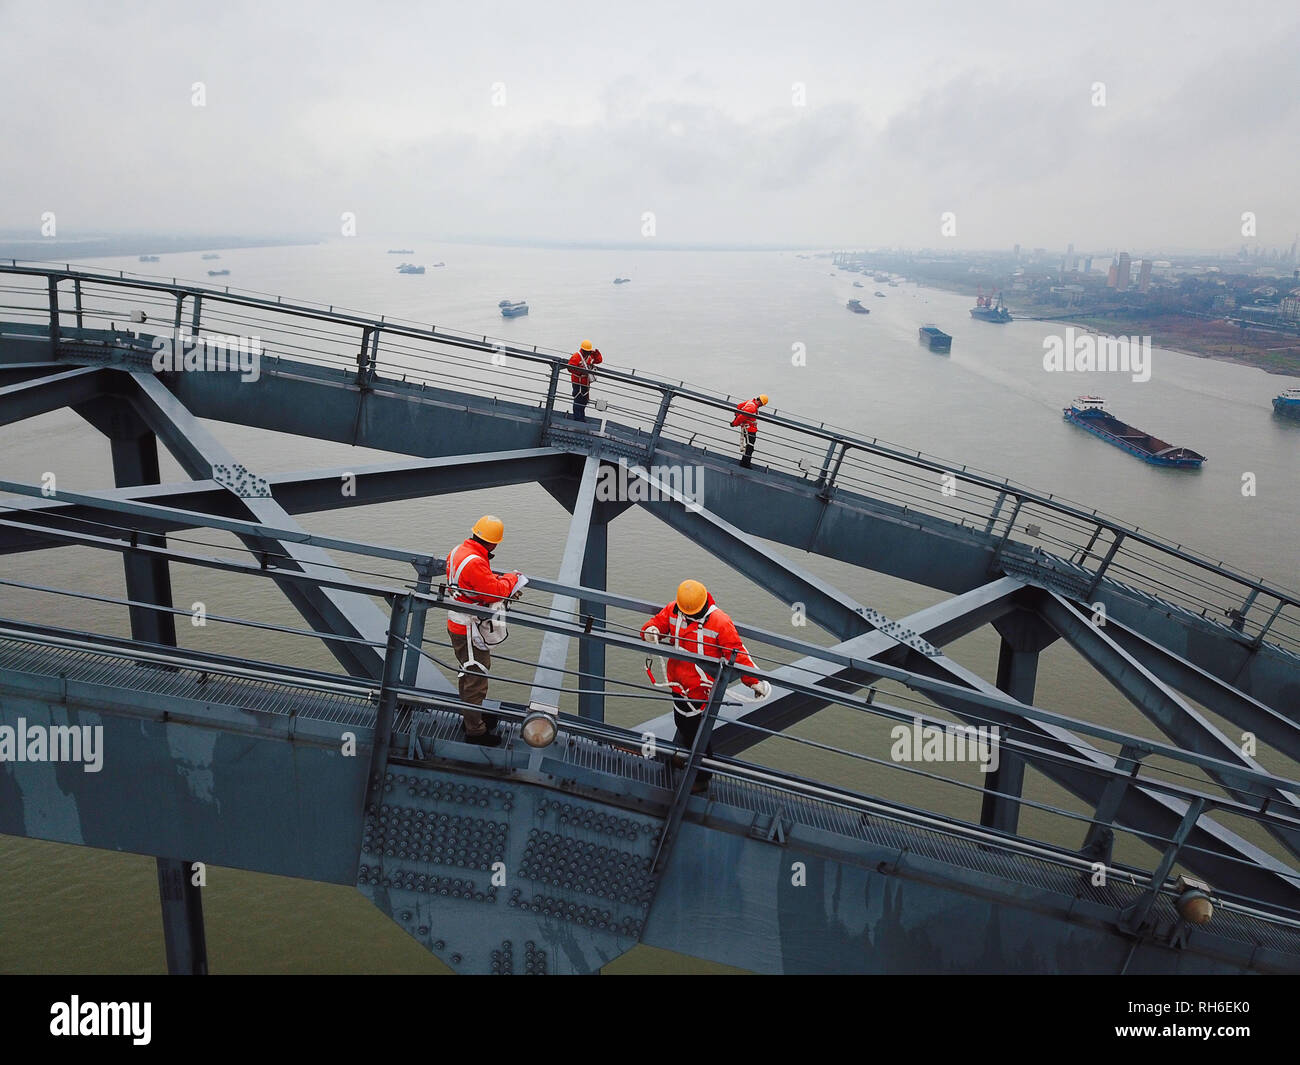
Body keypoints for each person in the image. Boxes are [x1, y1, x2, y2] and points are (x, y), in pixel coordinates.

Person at [640, 579, 769, 793]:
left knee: (696, 732)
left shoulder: (720, 622)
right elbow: (657, 624)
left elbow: (736, 653)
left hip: (703, 690)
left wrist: (754, 681)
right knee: (682, 722)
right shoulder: (674, 610)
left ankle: (702, 775)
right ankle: (688, 758)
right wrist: (651, 631)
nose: (689, 616)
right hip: (680, 685)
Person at [445, 515, 527, 745]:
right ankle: (475, 731)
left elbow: (474, 585)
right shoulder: (475, 562)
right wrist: (512, 578)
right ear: (493, 543)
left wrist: (493, 580)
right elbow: (495, 593)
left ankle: (472, 717)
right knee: (476, 678)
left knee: (469, 673)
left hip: (459, 622)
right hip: (469, 628)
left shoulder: (458, 551)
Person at [567, 340, 603, 422]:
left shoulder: (590, 356)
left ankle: (581, 417)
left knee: (584, 400)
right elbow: (570, 368)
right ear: (583, 350)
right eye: (587, 351)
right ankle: (577, 418)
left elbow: (599, 360)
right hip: (577, 382)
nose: (587, 353)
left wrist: (596, 353)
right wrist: (581, 372)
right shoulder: (576, 356)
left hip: (586, 382)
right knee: (577, 399)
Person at [731, 393, 769, 468]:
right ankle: (745, 464)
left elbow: (739, 406)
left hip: (748, 428)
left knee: (749, 447)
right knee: (750, 447)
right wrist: (734, 423)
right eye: (761, 405)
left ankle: (744, 462)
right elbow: (742, 417)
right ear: (760, 403)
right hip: (749, 429)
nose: (760, 406)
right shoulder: (752, 408)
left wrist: (736, 416)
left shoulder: (750, 402)